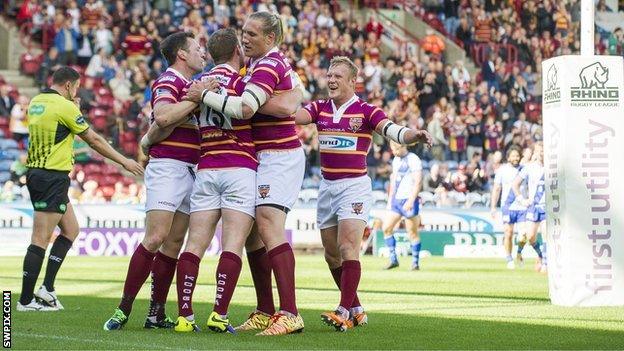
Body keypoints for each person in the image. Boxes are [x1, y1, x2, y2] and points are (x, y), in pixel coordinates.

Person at [172, 28, 300, 334]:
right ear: (237, 54)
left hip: (206, 168)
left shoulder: (196, 85)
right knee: (233, 245)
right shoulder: (243, 84)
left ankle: (184, 317)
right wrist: (296, 92)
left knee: (194, 245)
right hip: (240, 167)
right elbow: (274, 106)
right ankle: (219, 314)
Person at [293, 56, 432, 331]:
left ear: (352, 82)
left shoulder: (367, 111)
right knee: (331, 255)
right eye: (329, 75)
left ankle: (343, 310)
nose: (331, 80)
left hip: (354, 186)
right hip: (326, 187)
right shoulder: (320, 107)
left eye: (337, 76)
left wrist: (413, 135)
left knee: (348, 248)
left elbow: (392, 130)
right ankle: (356, 307)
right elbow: (294, 116)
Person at [103, 31, 207, 331]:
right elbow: (161, 117)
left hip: (192, 167)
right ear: (182, 55)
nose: (202, 53)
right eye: (196, 48)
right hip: (169, 167)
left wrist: (195, 98)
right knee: (156, 237)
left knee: (173, 244)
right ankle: (123, 309)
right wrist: (194, 100)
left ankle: (156, 313)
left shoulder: (192, 86)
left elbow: (160, 127)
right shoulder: (169, 81)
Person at [17, 66, 143, 312]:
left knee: (71, 230)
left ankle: (47, 289)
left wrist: (71, 107)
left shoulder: (36, 102)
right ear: (68, 86)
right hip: (50, 175)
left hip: (41, 173)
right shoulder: (64, 107)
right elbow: (93, 139)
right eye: (75, 87)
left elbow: (58, 130)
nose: (77, 91)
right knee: (40, 238)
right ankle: (24, 301)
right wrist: (124, 161)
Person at [382, 142, 424, 271]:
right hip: (396, 201)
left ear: (403, 146)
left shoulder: (413, 159)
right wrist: (390, 199)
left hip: (409, 199)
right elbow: (394, 179)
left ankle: (415, 262)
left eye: (396, 149)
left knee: (412, 232)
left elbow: (418, 181)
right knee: (386, 228)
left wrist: (411, 201)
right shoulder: (396, 160)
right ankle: (393, 259)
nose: (394, 152)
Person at [490, 146, 527, 269]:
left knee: (523, 235)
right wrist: (493, 207)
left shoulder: (524, 169)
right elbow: (496, 189)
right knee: (508, 233)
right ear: (508, 157)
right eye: (513, 156)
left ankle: (519, 252)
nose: (515, 158)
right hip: (508, 206)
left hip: (522, 207)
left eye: (517, 155)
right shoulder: (502, 170)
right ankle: (509, 258)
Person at [512, 142, 546, 273]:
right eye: (539, 151)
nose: (541, 153)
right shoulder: (529, 167)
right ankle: (541, 256)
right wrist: (522, 200)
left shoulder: (552, 167)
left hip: (546, 207)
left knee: (546, 235)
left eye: (543, 151)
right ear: (535, 153)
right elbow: (515, 184)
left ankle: (546, 264)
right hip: (533, 206)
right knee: (530, 237)